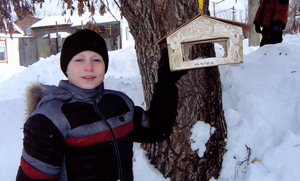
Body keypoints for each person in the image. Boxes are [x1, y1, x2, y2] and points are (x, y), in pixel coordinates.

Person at [16, 29, 186, 181]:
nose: (89, 67)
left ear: (105, 66)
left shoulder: (119, 103)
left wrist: (166, 81)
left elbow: (157, 128)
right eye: (79, 60)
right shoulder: (49, 119)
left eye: (96, 60)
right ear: (66, 68)